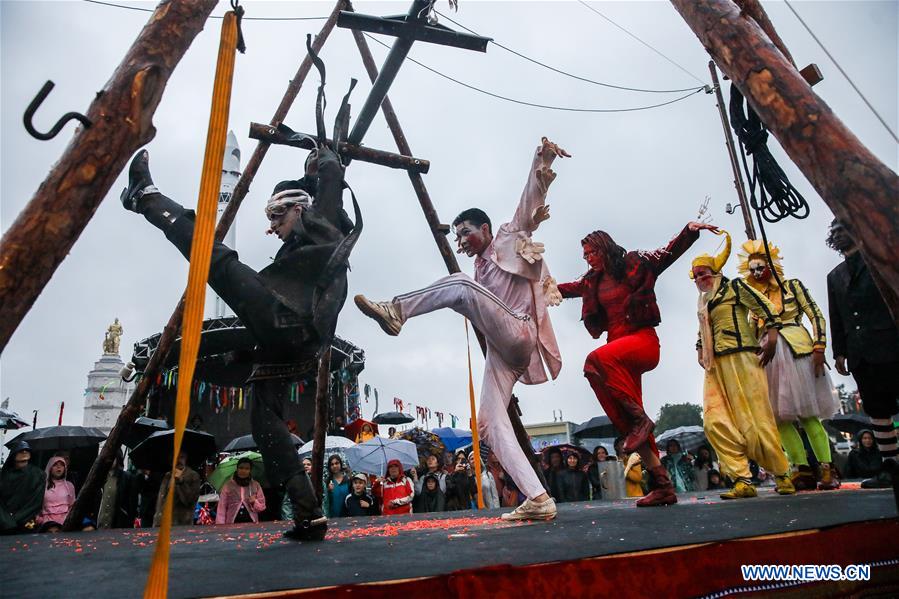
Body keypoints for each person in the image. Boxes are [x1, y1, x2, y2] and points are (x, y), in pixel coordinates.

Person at [120, 138, 359, 541]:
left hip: (288, 321)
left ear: (299, 209)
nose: (272, 226)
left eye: (276, 216)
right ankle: (308, 513)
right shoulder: (299, 248)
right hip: (293, 342)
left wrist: (324, 162)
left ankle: (145, 197)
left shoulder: (325, 223)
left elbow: (331, 179)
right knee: (265, 424)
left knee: (215, 259)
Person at [355, 138, 569, 522]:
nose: (462, 242)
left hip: (519, 332)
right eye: (457, 237)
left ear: (485, 229)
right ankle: (537, 497)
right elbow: (481, 312)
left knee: (458, 285)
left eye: (466, 233)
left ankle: (397, 310)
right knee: (488, 422)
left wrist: (543, 157)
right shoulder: (480, 270)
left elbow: (528, 199)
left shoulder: (507, 236)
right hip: (504, 352)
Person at [557, 222, 716, 508]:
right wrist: (533, 287)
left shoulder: (635, 263)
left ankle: (640, 422)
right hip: (616, 353)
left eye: (591, 252)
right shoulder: (591, 281)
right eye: (584, 255)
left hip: (641, 342)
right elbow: (564, 290)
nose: (587, 258)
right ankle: (662, 484)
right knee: (627, 417)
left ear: (604, 248)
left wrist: (690, 231)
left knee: (595, 359)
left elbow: (667, 254)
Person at [691, 231, 795, 500]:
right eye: (697, 276)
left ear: (715, 272)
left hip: (744, 358)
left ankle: (782, 473)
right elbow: (703, 330)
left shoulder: (735, 287)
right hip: (716, 366)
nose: (701, 279)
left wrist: (772, 337)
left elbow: (765, 307)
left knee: (756, 418)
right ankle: (741, 478)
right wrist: (700, 348)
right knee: (715, 422)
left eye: (705, 273)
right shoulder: (703, 301)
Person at [737, 239, 840, 490]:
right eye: (752, 269)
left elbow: (815, 314)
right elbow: (751, 332)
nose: (757, 273)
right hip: (769, 359)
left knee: (808, 414)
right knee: (779, 419)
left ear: (772, 265)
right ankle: (800, 468)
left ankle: (826, 468)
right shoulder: (754, 299)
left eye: (760, 267)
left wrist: (819, 346)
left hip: (799, 353)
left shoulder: (792, 286)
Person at [826, 219, 899, 498]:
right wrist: (839, 352)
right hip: (860, 352)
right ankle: (890, 466)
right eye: (834, 232)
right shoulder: (835, 276)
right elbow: (836, 316)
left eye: (844, 229)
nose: (839, 235)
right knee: (877, 411)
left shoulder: (878, 262)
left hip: (889, 343)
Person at [0, 442, 45, 534]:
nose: (24, 452)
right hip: (3, 524)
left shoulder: (38, 475)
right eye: (20, 450)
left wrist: (14, 519)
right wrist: (6, 519)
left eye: (27, 450)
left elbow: (35, 502)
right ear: (13, 454)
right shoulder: (3, 475)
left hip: (26, 523)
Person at [153, 450, 201, 527]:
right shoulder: (168, 475)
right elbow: (161, 500)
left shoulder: (193, 476)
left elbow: (190, 501)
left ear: (186, 459)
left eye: (182, 457)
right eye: (176, 457)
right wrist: (157, 520)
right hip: (162, 524)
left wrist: (181, 481)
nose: (179, 460)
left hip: (181, 525)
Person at [216, 457, 266, 524]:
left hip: (252, 524)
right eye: (241, 468)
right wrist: (220, 526)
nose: (243, 471)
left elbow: (262, 507)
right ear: (237, 469)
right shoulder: (228, 486)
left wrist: (254, 502)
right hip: (231, 524)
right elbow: (222, 507)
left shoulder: (255, 485)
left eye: (247, 468)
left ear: (250, 470)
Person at [34, 456, 76, 533]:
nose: (59, 467)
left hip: (65, 523)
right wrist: (40, 519)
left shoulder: (69, 485)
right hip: (47, 524)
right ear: (50, 467)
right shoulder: (42, 486)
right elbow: (35, 506)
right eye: (55, 464)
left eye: (62, 464)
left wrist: (68, 519)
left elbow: (72, 506)